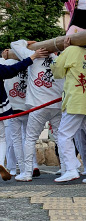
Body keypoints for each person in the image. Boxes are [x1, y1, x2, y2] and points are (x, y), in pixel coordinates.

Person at [51, 36, 86, 183]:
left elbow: (57, 72)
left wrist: (64, 51)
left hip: (76, 100)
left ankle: (71, 168)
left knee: (64, 135)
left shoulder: (71, 50)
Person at [9, 39, 64, 182]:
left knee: (30, 138)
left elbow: (14, 44)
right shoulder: (58, 59)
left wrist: (27, 43)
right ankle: (66, 168)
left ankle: (27, 173)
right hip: (56, 104)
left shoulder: (34, 56)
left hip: (39, 105)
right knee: (60, 137)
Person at [0, 47, 48, 181]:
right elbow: (14, 69)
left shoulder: (4, 62)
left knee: (15, 139)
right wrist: (32, 56)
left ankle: (21, 168)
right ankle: (31, 166)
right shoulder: (26, 62)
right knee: (26, 138)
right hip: (27, 105)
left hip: (12, 107)